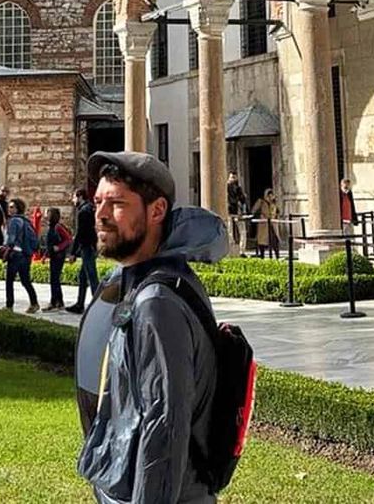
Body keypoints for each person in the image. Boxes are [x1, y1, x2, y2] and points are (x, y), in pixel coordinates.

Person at [76, 151, 223, 504]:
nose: (100, 215)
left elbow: (164, 430)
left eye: (117, 204)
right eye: (98, 201)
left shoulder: (157, 302)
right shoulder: (136, 282)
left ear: (156, 211)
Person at [66, 186, 99, 315]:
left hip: (87, 246)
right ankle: (80, 304)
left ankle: (98, 305)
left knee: (91, 276)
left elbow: (80, 233)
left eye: (74, 197)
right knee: (83, 276)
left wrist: (73, 252)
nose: (73, 200)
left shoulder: (83, 211)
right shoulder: (90, 208)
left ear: (80, 196)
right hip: (91, 245)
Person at [3, 198, 40, 313]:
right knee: (25, 281)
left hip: (15, 254)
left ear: (17, 208)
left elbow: (11, 239)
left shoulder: (13, 221)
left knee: (9, 280)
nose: (9, 209)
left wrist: (6, 251)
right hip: (26, 254)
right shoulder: (26, 221)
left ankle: (9, 306)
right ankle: (34, 303)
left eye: (12, 207)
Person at [44, 207, 72, 311]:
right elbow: (49, 243)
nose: (46, 215)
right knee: (54, 279)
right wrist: (45, 255)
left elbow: (68, 239)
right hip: (53, 255)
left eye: (47, 213)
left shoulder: (58, 227)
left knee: (54, 279)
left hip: (58, 256)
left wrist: (59, 247)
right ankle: (58, 302)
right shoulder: (51, 227)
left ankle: (54, 302)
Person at [250, 187, 279, 260]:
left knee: (274, 240)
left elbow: (277, 212)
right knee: (262, 242)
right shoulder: (261, 202)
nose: (270, 197)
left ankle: (277, 256)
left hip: (272, 224)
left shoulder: (273, 203)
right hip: (263, 224)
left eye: (271, 195)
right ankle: (262, 256)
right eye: (269, 195)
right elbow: (254, 210)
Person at [226, 171, 247, 250]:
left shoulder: (238, 188)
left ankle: (242, 250)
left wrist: (243, 210)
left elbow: (243, 200)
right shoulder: (226, 187)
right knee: (229, 230)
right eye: (231, 177)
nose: (233, 180)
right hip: (229, 211)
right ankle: (231, 246)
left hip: (238, 211)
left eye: (234, 178)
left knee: (242, 231)